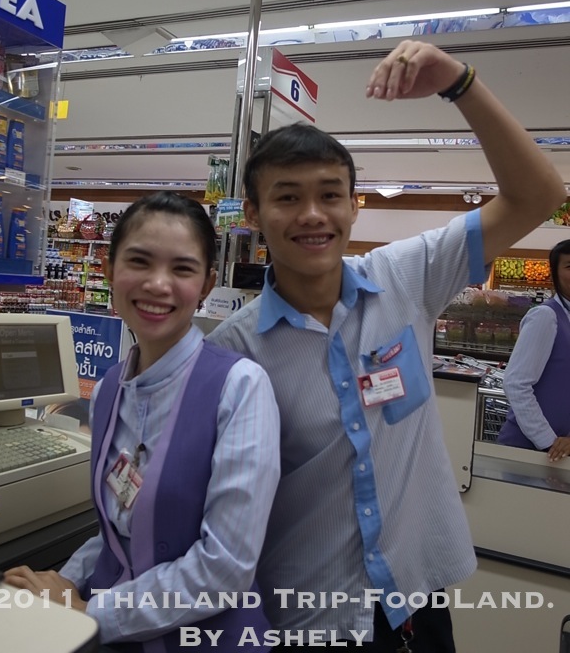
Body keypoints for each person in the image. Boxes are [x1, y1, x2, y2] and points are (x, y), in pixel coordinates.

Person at [207, 40, 566, 652]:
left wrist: (458, 81)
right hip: (309, 620)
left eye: (330, 194)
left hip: (418, 601)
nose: (312, 214)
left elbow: (539, 193)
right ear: (255, 214)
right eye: (287, 197)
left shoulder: (407, 276)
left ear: (354, 205)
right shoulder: (232, 352)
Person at [4, 192, 281, 652]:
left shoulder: (240, 388)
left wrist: (88, 612)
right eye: (139, 261)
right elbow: (117, 535)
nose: (157, 284)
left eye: (182, 269)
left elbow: (225, 568)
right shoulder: (110, 388)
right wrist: (62, 582)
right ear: (109, 270)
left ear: (207, 284)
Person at [497, 239, 570, 459]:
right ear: (554, 273)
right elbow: (516, 383)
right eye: (569, 266)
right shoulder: (545, 317)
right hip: (530, 452)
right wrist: (548, 441)